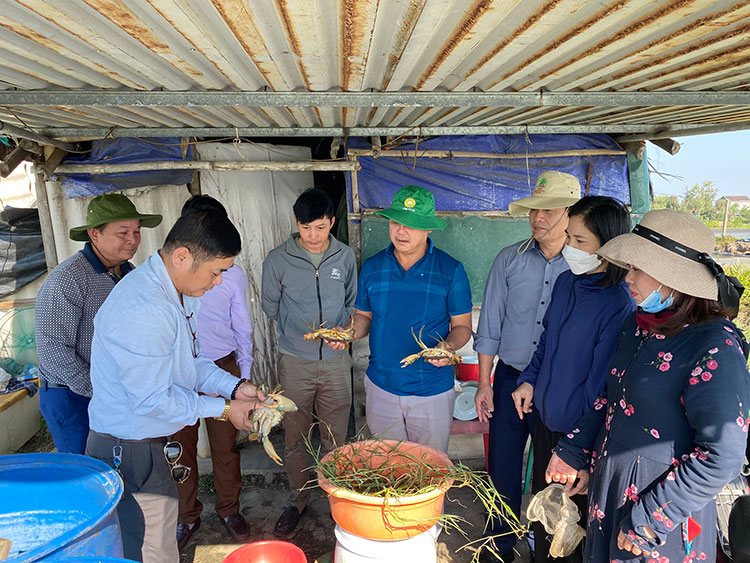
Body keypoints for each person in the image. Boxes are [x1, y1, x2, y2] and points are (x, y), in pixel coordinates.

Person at [546, 209, 749, 562]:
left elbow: (721, 456)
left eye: (637, 268)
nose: (628, 277)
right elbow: (612, 399)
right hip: (612, 495)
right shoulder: (639, 324)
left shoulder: (715, 347)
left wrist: (650, 519)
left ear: (672, 278)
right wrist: (575, 450)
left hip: (659, 516)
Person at [85, 208, 266, 563]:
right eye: (216, 272)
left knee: (159, 543)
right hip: (129, 449)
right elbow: (152, 400)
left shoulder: (177, 293)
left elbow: (191, 363)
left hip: (147, 445)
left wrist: (234, 387)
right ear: (182, 257)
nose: (218, 283)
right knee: (150, 551)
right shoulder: (145, 307)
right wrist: (225, 409)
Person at [510, 196, 636, 563]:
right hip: (546, 423)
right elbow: (546, 342)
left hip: (578, 438)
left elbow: (602, 388)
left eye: (580, 241)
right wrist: (529, 380)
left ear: (609, 246)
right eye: (569, 236)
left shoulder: (619, 303)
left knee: (571, 537)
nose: (569, 247)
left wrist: (578, 452)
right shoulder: (567, 282)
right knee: (544, 520)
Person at [473, 170, 580, 563]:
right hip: (509, 378)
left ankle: (543, 547)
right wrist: (484, 383)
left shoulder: (585, 267)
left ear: (570, 214)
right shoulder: (509, 259)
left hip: (558, 386)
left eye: (549, 210)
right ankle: (499, 544)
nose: (538, 217)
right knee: (502, 467)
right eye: (534, 210)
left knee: (551, 474)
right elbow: (489, 327)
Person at [336, 185, 472, 454]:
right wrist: (347, 333)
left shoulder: (450, 270)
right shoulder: (373, 268)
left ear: (428, 228)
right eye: (396, 222)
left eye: (411, 224)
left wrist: (448, 347)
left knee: (429, 469)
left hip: (431, 391)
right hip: (381, 388)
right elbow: (363, 317)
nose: (401, 231)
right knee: (388, 469)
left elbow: (462, 327)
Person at [261, 187, 357, 536]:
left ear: (331, 222)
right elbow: (270, 306)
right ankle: (297, 500)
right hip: (295, 362)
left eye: (320, 227)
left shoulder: (345, 256)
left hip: (335, 361)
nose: (313, 235)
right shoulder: (277, 260)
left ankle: (338, 501)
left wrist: (342, 331)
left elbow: (351, 303)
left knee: (335, 438)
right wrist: (295, 331)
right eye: (305, 228)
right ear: (296, 223)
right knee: (295, 437)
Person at [35, 193, 162, 454]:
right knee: (85, 469)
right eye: (123, 232)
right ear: (94, 234)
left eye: (136, 231)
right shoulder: (68, 278)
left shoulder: (128, 272)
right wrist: (100, 389)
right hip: (71, 395)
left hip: (112, 392)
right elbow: (52, 350)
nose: (133, 240)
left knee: (116, 463)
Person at [173, 196, 253, 549]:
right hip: (178, 371)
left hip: (222, 368)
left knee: (225, 447)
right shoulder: (170, 277)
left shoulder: (231, 275)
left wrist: (242, 378)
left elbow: (243, 328)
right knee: (179, 448)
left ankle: (229, 510)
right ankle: (186, 515)